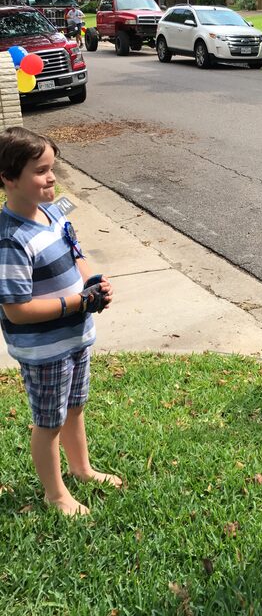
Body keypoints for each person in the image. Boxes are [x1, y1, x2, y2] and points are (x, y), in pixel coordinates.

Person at [0, 126, 122, 516]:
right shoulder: (11, 241)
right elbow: (16, 309)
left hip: (74, 336)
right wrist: (75, 302)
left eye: (52, 167)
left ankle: (81, 468)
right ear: (7, 179)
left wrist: (92, 283)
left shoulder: (53, 212)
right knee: (48, 423)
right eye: (39, 171)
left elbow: (75, 251)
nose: (51, 177)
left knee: (74, 408)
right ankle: (56, 495)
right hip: (44, 349)